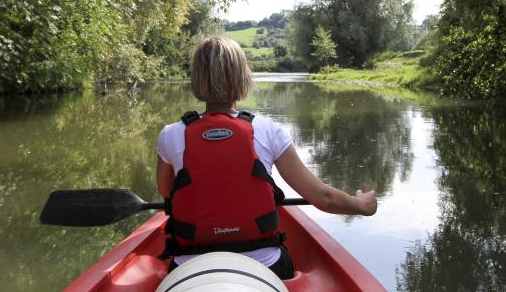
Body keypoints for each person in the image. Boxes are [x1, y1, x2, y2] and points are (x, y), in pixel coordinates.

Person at [156, 36, 377, 280]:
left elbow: (167, 192)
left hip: (189, 265)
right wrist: (362, 205)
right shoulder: (268, 130)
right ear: (242, 76)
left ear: (197, 78)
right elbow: (323, 198)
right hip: (266, 265)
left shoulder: (171, 135)